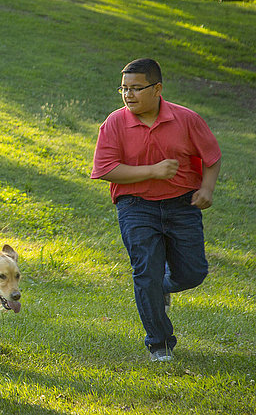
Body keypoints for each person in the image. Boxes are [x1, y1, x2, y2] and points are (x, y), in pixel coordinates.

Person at [91, 58, 221, 362]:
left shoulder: (187, 119)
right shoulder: (115, 123)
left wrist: (207, 189)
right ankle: (159, 343)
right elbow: (106, 169)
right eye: (124, 89)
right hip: (135, 206)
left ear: (157, 88)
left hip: (182, 205)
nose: (129, 95)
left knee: (193, 273)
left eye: (136, 88)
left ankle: (159, 287)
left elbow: (212, 157)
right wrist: (152, 171)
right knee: (145, 272)